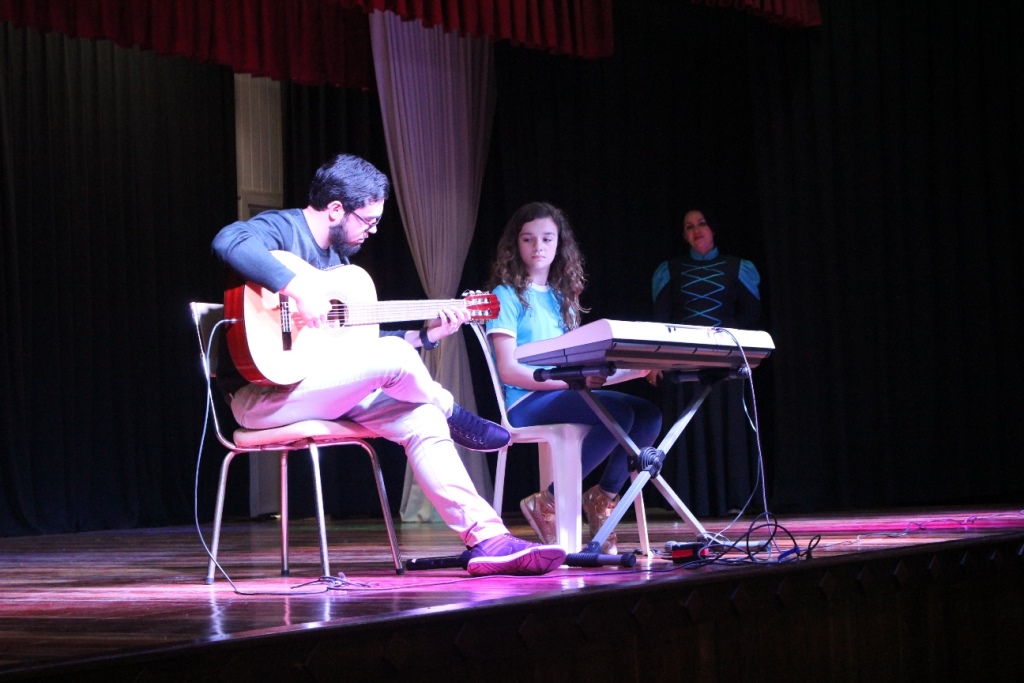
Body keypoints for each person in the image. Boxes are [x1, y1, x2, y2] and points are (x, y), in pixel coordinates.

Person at [211, 154, 566, 577]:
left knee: (421, 416)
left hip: (321, 390)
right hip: (260, 397)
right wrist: (298, 287)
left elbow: (364, 349)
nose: (373, 230)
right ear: (336, 209)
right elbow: (228, 240)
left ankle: (488, 539)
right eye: (369, 220)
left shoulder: (340, 267)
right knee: (402, 365)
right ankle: (452, 410)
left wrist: (428, 335)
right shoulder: (284, 229)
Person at [485, 202, 662, 554]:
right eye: (528, 239)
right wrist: (570, 383)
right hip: (525, 402)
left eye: (547, 239)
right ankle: (548, 501)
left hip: (563, 393)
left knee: (648, 415)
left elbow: (581, 373)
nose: (538, 247)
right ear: (515, 244)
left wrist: (637, 369)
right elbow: (509, 370)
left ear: (559, 244)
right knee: (616, 414)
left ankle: (603, 496)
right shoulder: (505, 295)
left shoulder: (560, 298)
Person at [650, 208, 762, 516]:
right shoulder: (669, 270)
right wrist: (655, 362)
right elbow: (660, 318)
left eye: (701, 224)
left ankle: (733, 500)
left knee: (729, 428)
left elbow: (751, 314)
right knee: (689, 428)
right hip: (684, 359)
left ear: (713, 229)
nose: (696, 230)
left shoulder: (738, 267)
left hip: (726, 360)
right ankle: (688, 502)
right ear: (684, 235)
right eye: (689, 227)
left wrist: (738, 345)